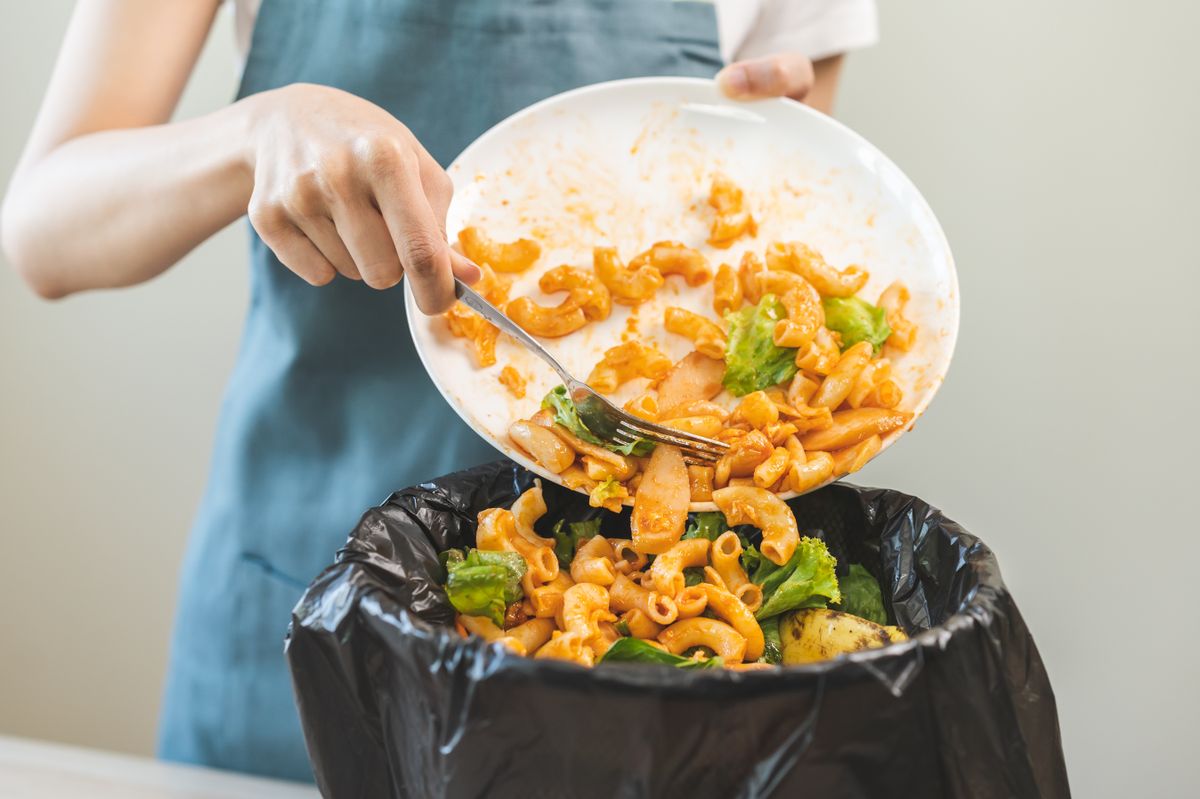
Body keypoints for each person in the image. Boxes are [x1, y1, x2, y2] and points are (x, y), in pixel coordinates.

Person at [1, 0, 878, 783]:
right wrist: (252, 135)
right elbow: (46, 227)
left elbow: (770, 262)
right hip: (304, 601)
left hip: (625, 642)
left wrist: (777, 146)